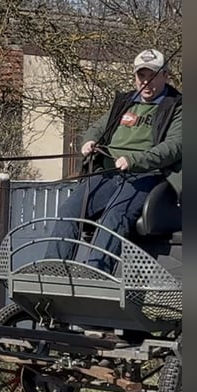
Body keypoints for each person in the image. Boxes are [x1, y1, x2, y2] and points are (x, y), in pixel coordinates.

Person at [46, 48, 182, 273]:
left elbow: (173, 148)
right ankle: (53, 270)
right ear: (135, 76)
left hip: (147, 176)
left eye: (153, 76)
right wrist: (89, 141)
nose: (146, 82)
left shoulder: (177, 106)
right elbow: (97, 128)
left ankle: (95, 272)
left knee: (115, 215)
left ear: (165, 76)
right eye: (142, 76)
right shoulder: (125, 102)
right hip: (109, 173)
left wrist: (135, 160)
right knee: (70, 209)